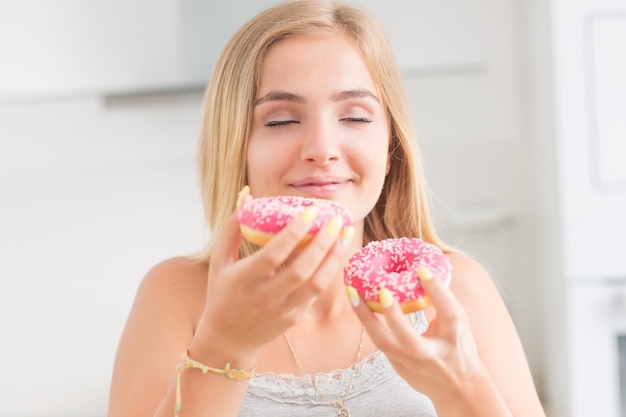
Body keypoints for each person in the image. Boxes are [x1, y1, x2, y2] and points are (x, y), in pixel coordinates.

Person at [107, 1, 546, 416]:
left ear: (391, 144)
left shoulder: (455, 291)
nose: (321, 149)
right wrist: (222, 348)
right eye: (281, 120)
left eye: (355, 116)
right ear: (236, 145)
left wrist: (462, 391)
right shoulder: (178, 296)